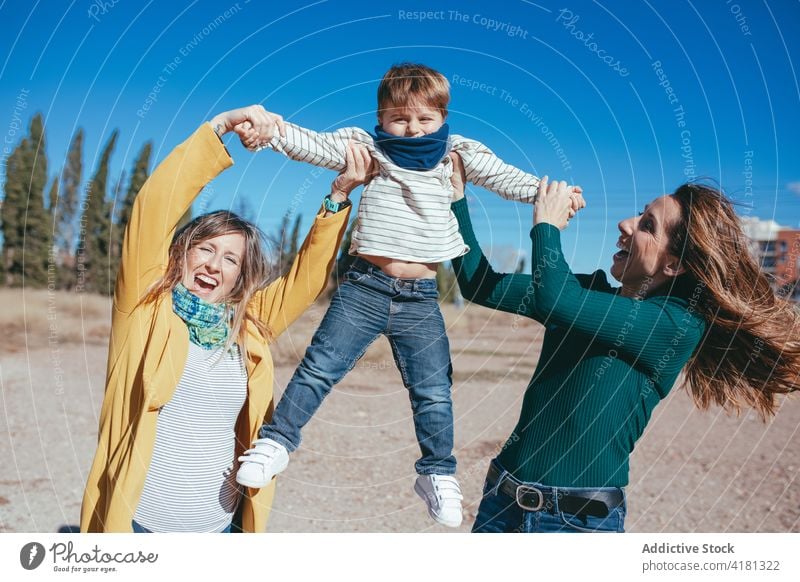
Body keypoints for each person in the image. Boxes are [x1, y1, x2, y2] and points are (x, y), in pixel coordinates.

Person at [234, 63, 579, 528]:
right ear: (381, 118)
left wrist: (551, 193)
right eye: (400, 119)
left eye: (424, 119)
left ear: (442, 117)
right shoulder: (369, 148)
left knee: (433, 390)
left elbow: (505, 178)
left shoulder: (457, 154)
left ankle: (437, 473)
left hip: (419, 298)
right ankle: (276, 442)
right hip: (365, 287)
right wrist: (270, 129)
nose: (412, 129)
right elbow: (311, 144)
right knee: (319, 367)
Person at [449, 155, 800, 533]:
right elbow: (478, 284)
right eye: (638, 213)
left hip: (574, 524)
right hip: (501, 502)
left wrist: (546, 225)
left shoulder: (675, 325)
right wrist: (455, 198)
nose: (625, 224)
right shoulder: (586, 291)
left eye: (647, 226)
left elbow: (556, 299)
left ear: (675, 265)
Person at [79, 105, 369, 532]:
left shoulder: (247, 324)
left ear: (240, 277)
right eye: (206, 249)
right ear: (181, 253)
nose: (215, 265)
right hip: (140, 529)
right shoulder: (142, 310)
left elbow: (305, 282)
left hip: (222, 529)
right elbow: (152, 210)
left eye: (230, 258)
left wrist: (338, 197)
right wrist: (221, 129)